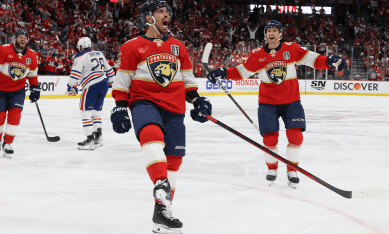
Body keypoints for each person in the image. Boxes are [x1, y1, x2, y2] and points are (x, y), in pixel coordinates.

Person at [110, 0, 212, 233]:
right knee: (151, 134)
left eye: (168, 11)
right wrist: (119, 107)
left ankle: (162, 211)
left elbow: (188, 80)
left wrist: (198, 100)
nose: (168, 15)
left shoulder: (178, 47)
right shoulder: (132, 46)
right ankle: (160, 182)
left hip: (175, 107)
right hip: (144, 101)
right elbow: (123, 81)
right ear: (148, 18)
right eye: (161, 11)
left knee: (174, 160)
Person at [207, 20, 345, 188]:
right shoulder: (257, 54)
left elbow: (312, 59)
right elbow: (242, 71)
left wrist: (329, 61)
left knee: (296, 136)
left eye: (274, 30)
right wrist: (223, 72)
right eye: (269, 30)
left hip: (292, 102)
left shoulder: (291, 48)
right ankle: (272, 169)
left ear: (280, 34)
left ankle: (292, 170)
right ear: (265, 34)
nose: (271, 33)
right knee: (270, 139)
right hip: (268, 103)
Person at [0, 28, 40, 158]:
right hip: (0, 89)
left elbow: (33, 74)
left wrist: (35, 87)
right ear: (14, 39)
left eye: (25, 37)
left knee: (15, 116)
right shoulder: (4, 50)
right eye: (20, 36)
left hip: (18, 90)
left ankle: (8, 143)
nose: (23, 39)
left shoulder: (32, 55)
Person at [66, 37, 114, 150]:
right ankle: (98, 139)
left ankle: (89, 139)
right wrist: (112, 81)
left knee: (85, 112)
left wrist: (71, 85)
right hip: (104, 82)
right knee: (96, 112)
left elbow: (75, 72)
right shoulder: (99, 53)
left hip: (92, 84)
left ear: (81, 46)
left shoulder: (80, 56)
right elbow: (109, 69)